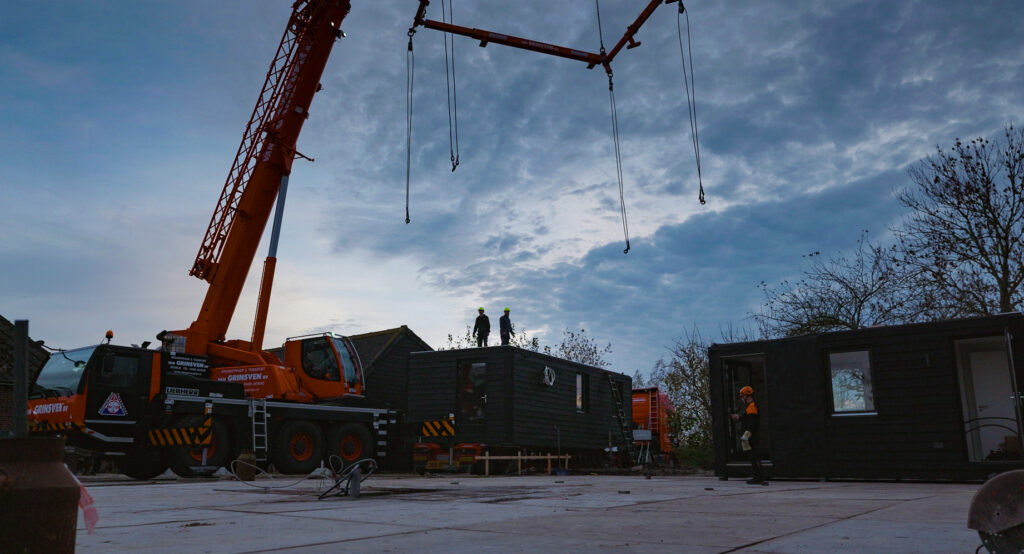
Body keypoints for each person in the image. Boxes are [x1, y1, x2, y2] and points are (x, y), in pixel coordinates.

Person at [730, 385, 766, 485]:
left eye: (742, 397)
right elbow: (745, 417)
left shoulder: (752, 407)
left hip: (751, 436)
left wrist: (746, 435)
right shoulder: (749, 408)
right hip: (750, 436)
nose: (741, 399)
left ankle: (758, 477)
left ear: (746, 396)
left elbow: (752, 423)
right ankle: (757, 476)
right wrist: (738, 417)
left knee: (754, 456)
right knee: (753, 456)